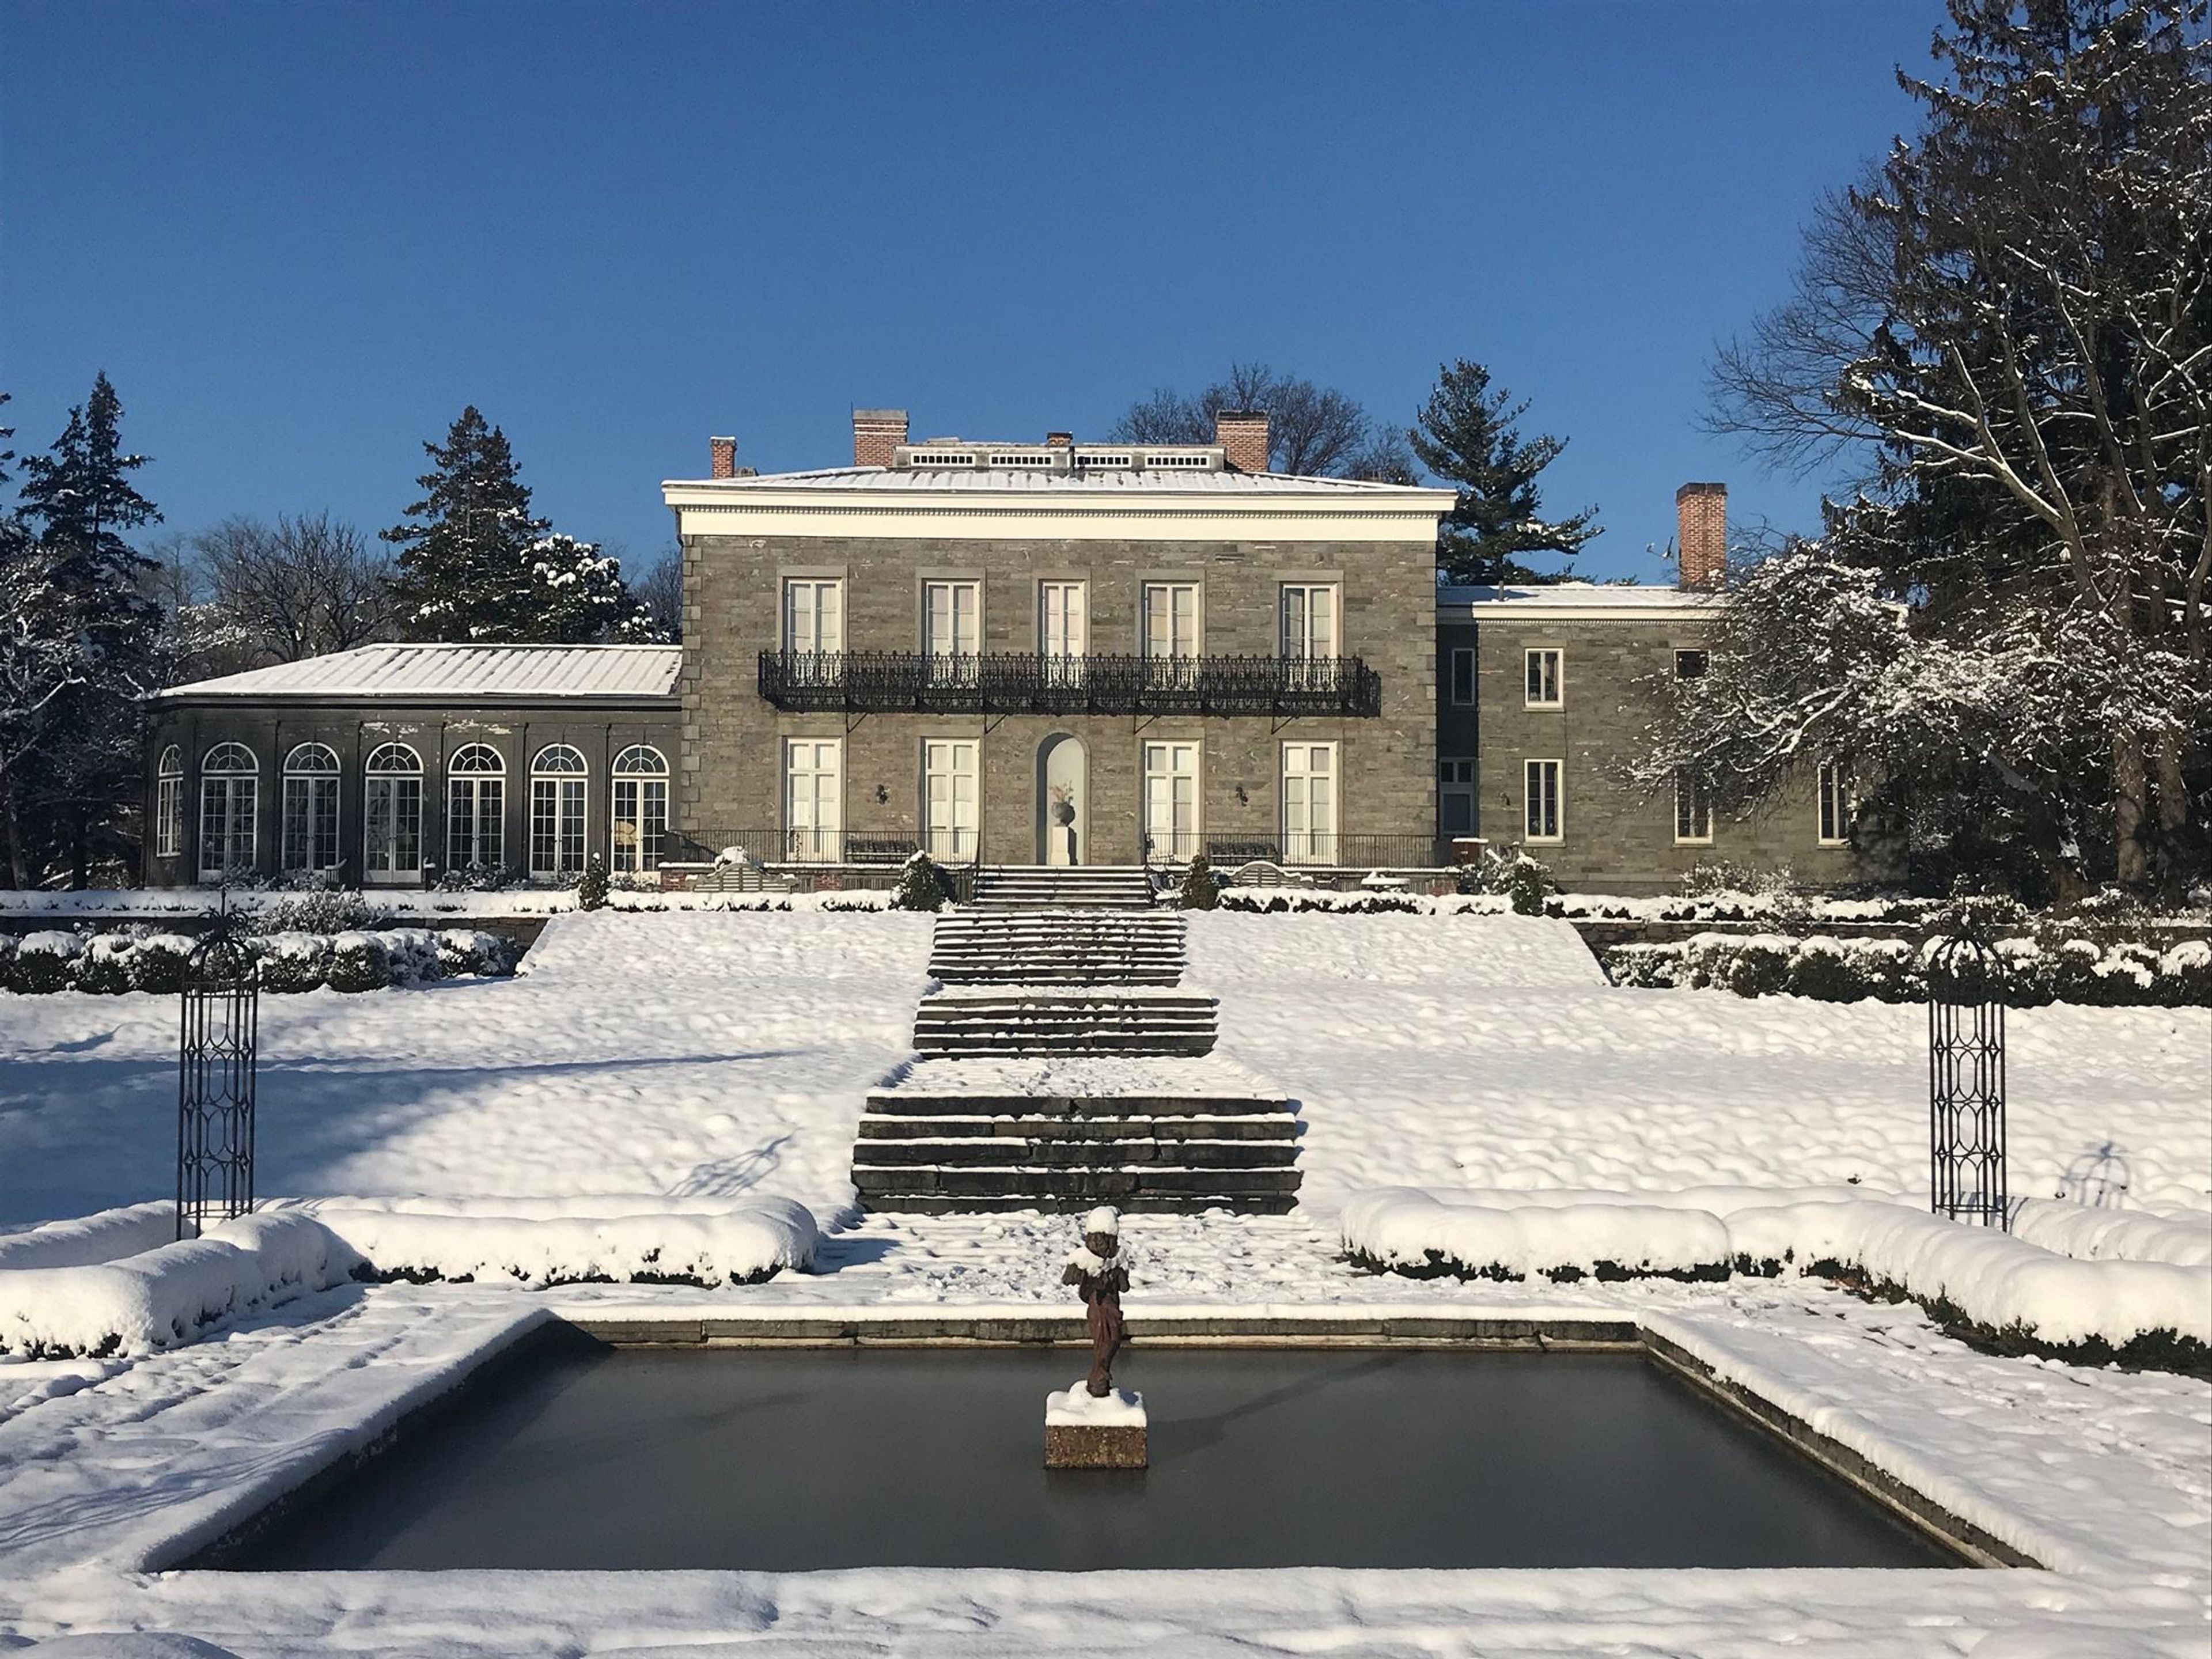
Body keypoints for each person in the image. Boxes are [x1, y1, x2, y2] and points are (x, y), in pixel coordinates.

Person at [1060, 1205, 1129, 1396]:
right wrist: (1088, 1270)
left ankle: (1099, 1374)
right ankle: (1099, 1377)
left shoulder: (1118, 1258)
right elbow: (1068, 1279)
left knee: (1114, 1340)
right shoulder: (1084, 1258)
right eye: (1097, 1240)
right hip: (1098, 1307)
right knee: (1101, 1341)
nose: (1101, 1245)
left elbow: (1125, 1286)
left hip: (1113, 1307)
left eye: (1105, 1240)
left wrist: (1115, 1269)